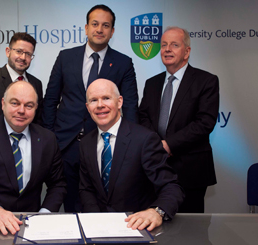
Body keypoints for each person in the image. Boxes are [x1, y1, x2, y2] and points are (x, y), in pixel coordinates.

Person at [42, 4, 139, 212]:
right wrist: (51, 138)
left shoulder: (123, 63)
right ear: (86, 28)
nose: (99, 29)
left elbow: (130, 106)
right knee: (70, 206)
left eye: (106, 25)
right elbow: (50, 100)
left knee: (103, 205)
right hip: (65, 146)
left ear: (112, 31)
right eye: (95, 24)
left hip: (105, 148)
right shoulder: (65, 57)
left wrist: (128, 145)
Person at [0, 81, 66, 235]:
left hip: (29, 229)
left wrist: (44, 215)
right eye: (15, 103)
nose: (21, 110)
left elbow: (58, 185)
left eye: (28, 105)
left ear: (36, 108)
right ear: (3, 103)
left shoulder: (48, 139)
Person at [79, 78, 184, 231]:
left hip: (137, 228)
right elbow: (86, 189)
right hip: (99, 230)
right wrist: (96, 220)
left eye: (106, 98)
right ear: (88, 108)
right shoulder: (85, 143)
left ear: (119, 102)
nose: (100, 105)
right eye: (94, 100)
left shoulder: (144, 139)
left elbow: (171, 187)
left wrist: (157, 212)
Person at [138, 26, 219, 213]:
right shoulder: (152, 83)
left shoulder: (206, 81)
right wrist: (156, 144)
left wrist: (169, 145)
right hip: (155, 168)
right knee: (156, 226)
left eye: (174, 45)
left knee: (191, 231)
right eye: (164, 45)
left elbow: (205, 122)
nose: (167, 49)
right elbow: (143, 116)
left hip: (191, 169)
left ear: (186, 51)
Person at [0, 32, 43, 124]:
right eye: (19, 51)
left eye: (28, 54)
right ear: (8, 52)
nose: (23, 57)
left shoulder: (36, 83)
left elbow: (37, 122)